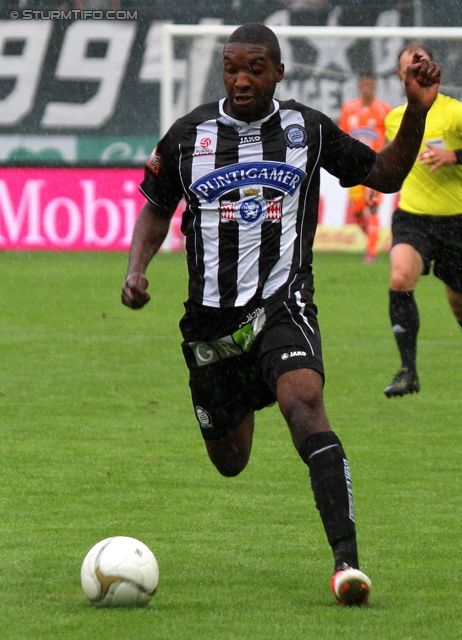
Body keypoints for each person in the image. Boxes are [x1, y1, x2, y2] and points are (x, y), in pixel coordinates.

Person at [121, 23, 440, 604]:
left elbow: (386, 174)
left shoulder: (306, 129)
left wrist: (416, 112)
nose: (241, 80)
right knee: (231, 461)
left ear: (279, 72)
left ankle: (347, 565)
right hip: (211, 327)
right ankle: (246, 391)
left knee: (304, 403)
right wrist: (136, 269)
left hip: (282, 304)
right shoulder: (189, 135)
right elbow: (154, 206)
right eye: (232, 68)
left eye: (255, 69)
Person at [383, 42, 462, 398]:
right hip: (413, 217)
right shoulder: (394, 117)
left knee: (457, 302)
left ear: (433, 70)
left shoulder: (456, 113)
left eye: (422, 63)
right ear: (401, 76)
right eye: (408, 66)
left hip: (456, 220)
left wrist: (454, 155)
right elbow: (393, 160)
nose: (415, 69)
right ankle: (407, 371)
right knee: (400, 277)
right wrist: (375, 183)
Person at [339, 75, 392, 262]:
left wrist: (383, 161)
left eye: (371, 84)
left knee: (374, 207)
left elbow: (389, 137)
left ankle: (371, 251)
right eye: (365, 84)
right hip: (354, 168)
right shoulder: (348, 109)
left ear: (375, 86)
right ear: (359, 86)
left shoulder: (384, 110)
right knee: (358, 211)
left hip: (375, 167)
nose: (368, 88)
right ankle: (370, 236)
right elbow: (342, 136)